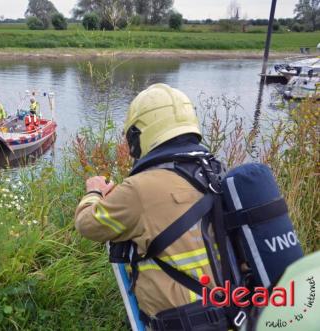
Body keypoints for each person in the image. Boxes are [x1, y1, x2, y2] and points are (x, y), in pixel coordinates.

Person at [74, 84, 227, 330]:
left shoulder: (139, 188)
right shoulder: (213, 171)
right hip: (230, 310)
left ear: (139, 134)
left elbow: (87, 225)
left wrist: (94, 192)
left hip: (184, 320)